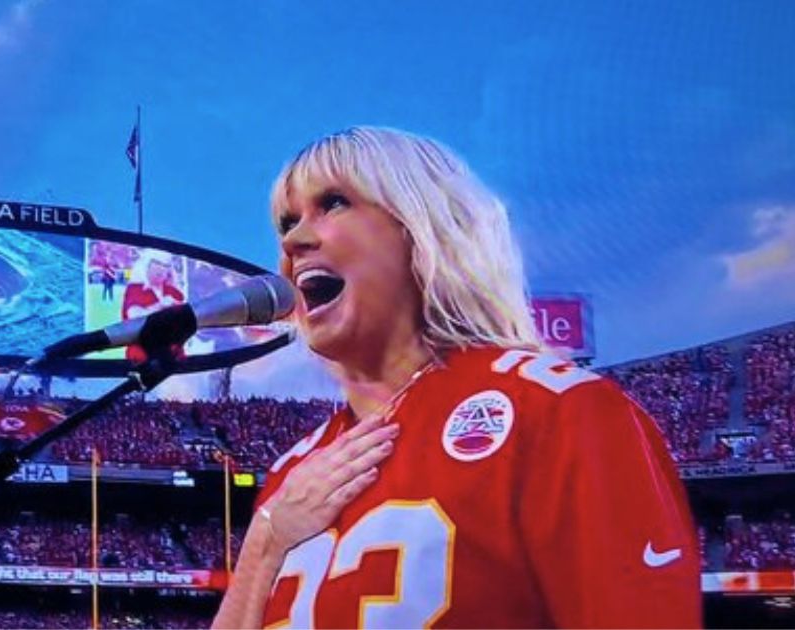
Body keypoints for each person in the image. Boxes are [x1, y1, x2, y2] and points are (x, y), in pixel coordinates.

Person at [211, 127, 700, 628]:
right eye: (287, 223)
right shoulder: (293, 473)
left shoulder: (558, 410)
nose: (294, 240)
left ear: (425, 228)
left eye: (334, 203)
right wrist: (264, 542)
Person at [120, 248, 187, 363]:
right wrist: (160, 306)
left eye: (165, 265)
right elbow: (135, 317)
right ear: (147, 265)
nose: (160, 268)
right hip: (143, 361)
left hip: (175, 361)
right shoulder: (135, 290)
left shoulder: (174, 293)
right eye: (156, 263)